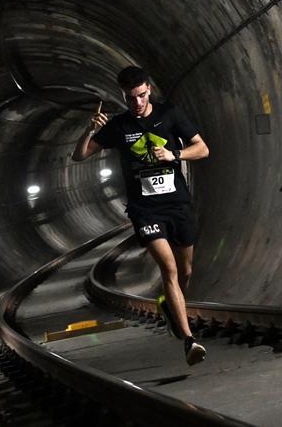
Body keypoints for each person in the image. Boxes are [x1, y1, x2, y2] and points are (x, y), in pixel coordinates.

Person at [72, 66, 210, 365]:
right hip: (145, 210)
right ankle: (189, 340)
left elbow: (202, 149)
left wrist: (175, 154)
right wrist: (89, 130)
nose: (136, 102)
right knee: (170, 269)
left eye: (141, 95)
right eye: (130, 97)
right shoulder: (119, 126)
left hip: (178, 204)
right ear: (123, 95)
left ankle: (170, 307)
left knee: (185, 272)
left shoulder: (170, 114)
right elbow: (80, 155)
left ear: (149, 90)